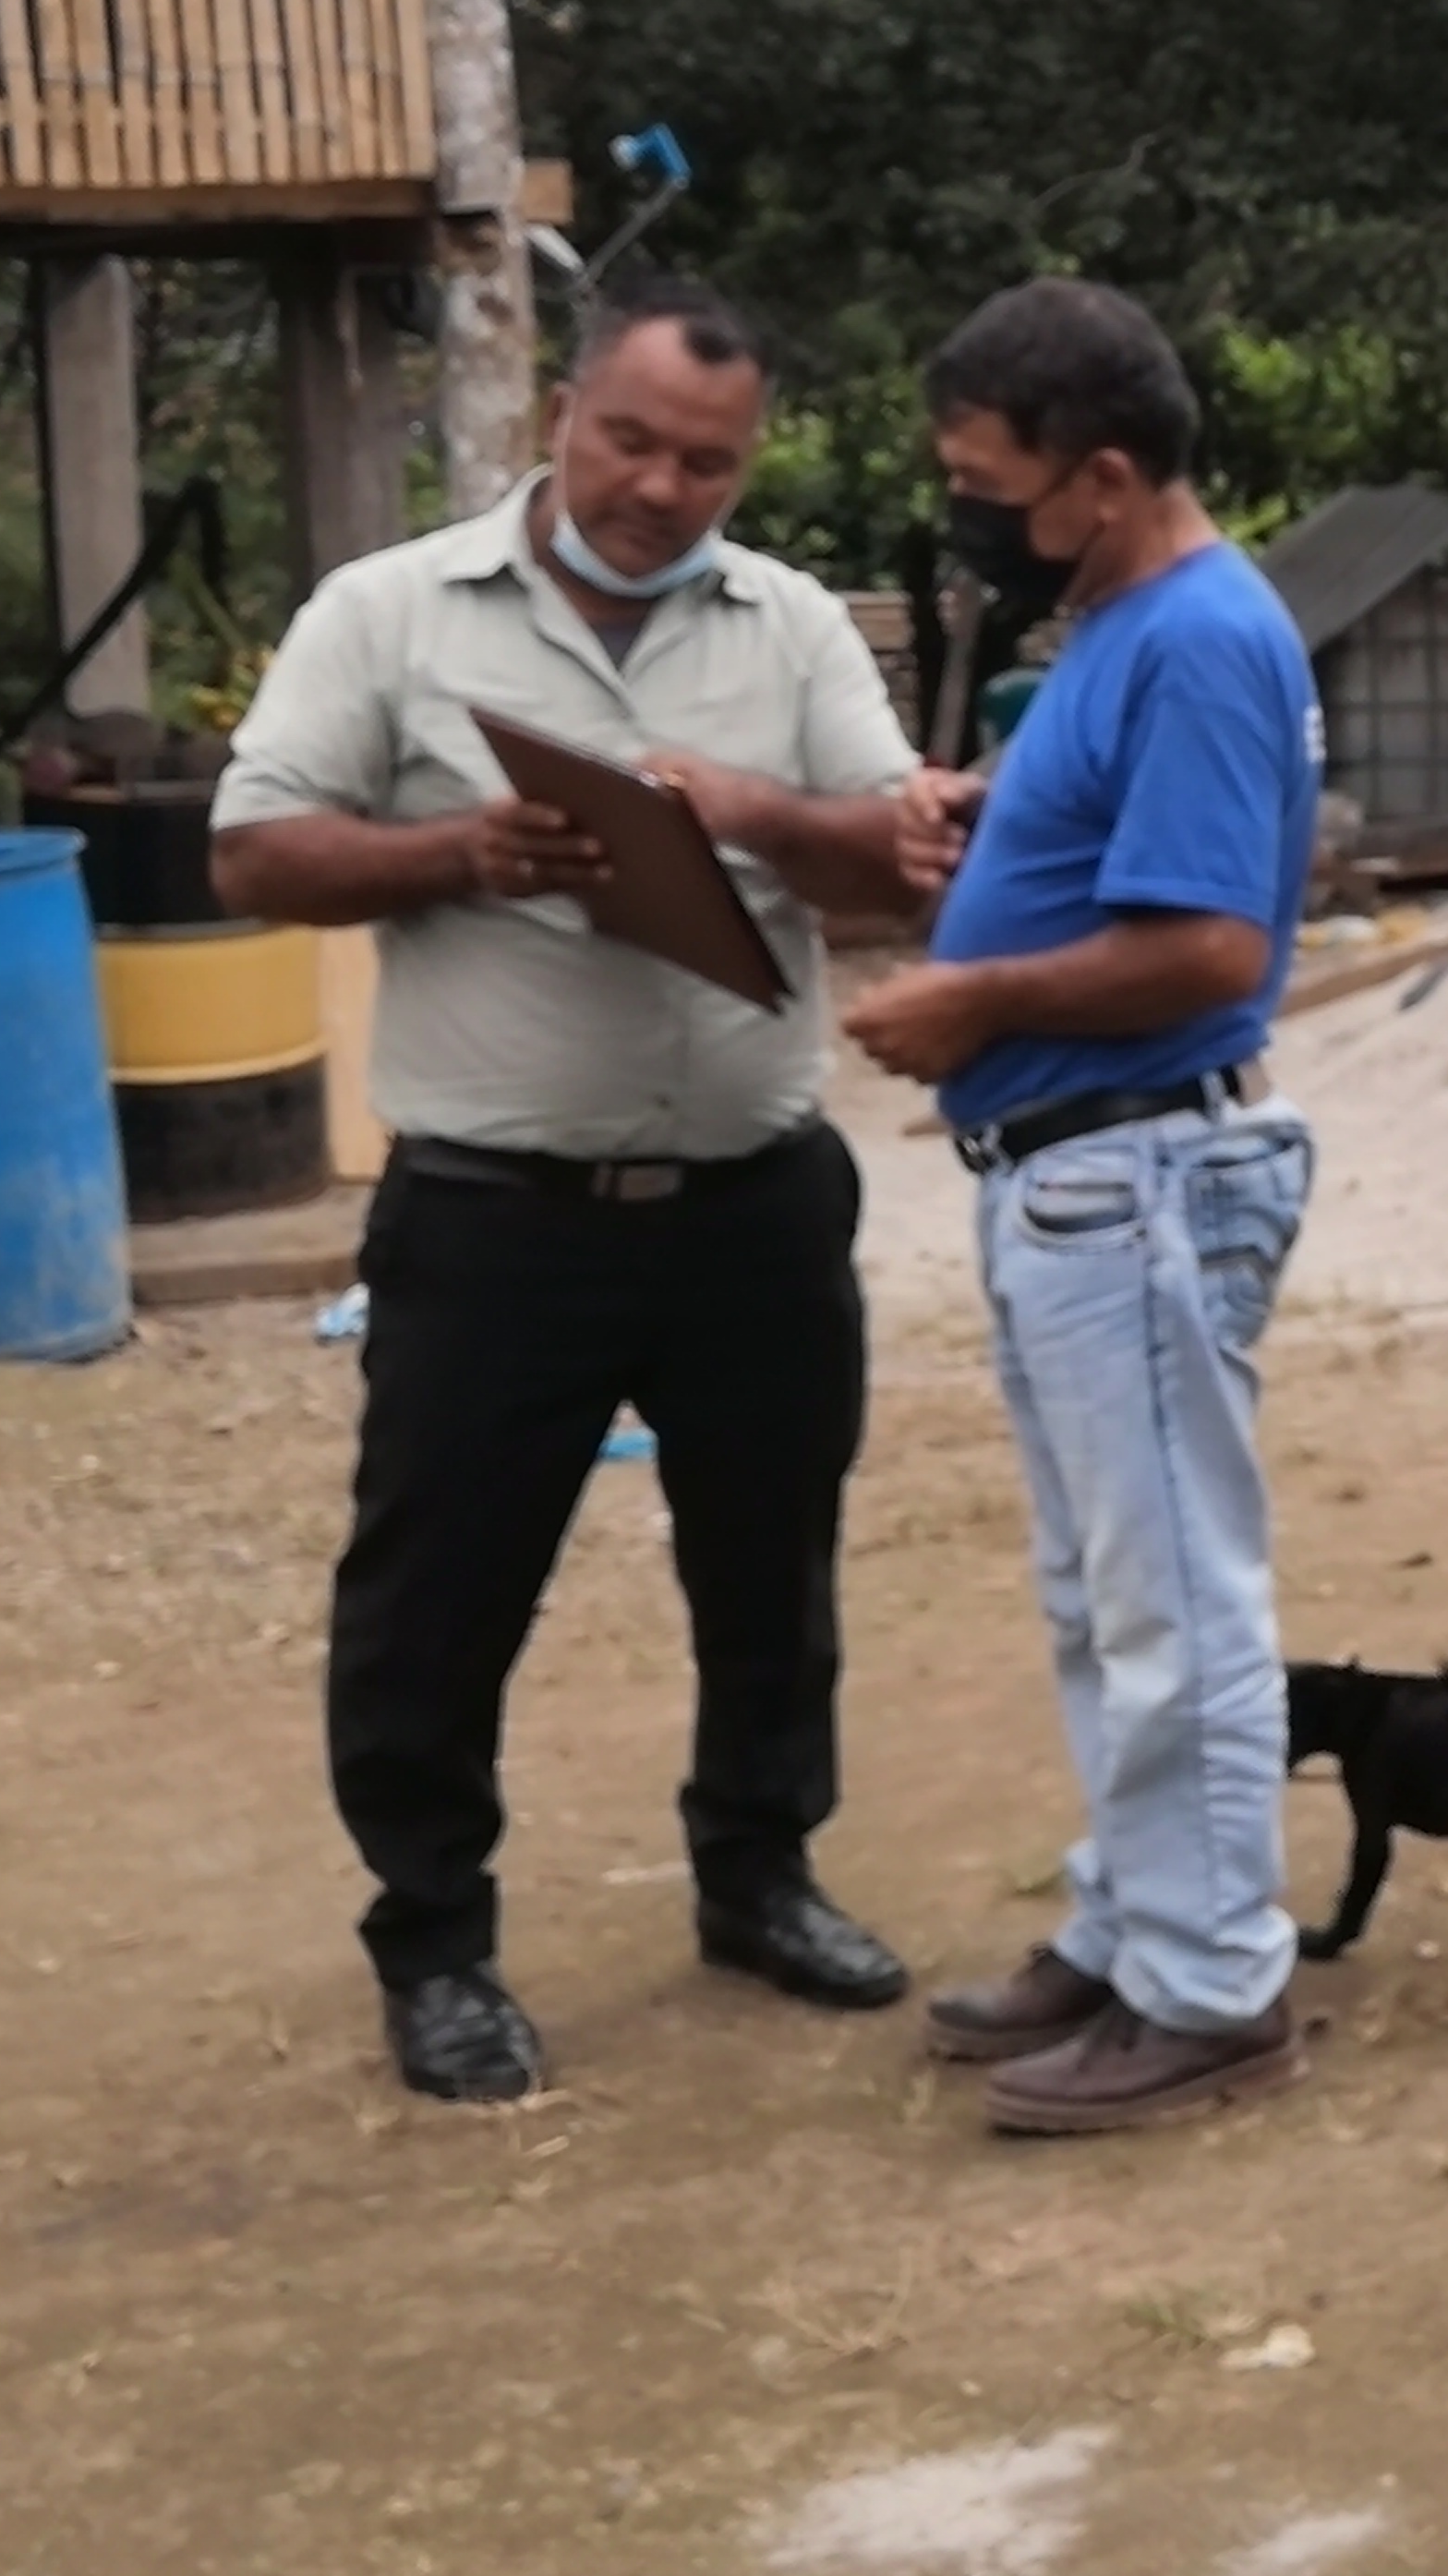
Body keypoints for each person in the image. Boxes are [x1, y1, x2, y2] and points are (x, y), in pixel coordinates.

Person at [209, 279, 942, 2105]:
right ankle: (435, 1942)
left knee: (770, 1569)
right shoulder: (389, 612)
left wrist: (746, 812)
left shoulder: (790, 627)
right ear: (561, 411)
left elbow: (898, 857)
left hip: (755, 1203)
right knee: (439, 1591)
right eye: (629, 441)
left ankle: (759, 1877)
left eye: (707, 462)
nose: (660, 488)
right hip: (497, 1217)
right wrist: (458, 853)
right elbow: (253, 853)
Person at [836, 278, 1324, 2140]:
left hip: (1133, 1174)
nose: (971, 517)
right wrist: (1001, 827)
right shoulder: (1124, 623)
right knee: (1103, 1593)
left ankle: (1212, 1989)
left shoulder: (1196, 636)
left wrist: (976, 998)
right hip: (1075, 1181)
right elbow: (1138, 862)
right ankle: (1138, 1925)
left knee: (1170, 1595)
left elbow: (1211, 948)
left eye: (991, 486)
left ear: (1103, 476)